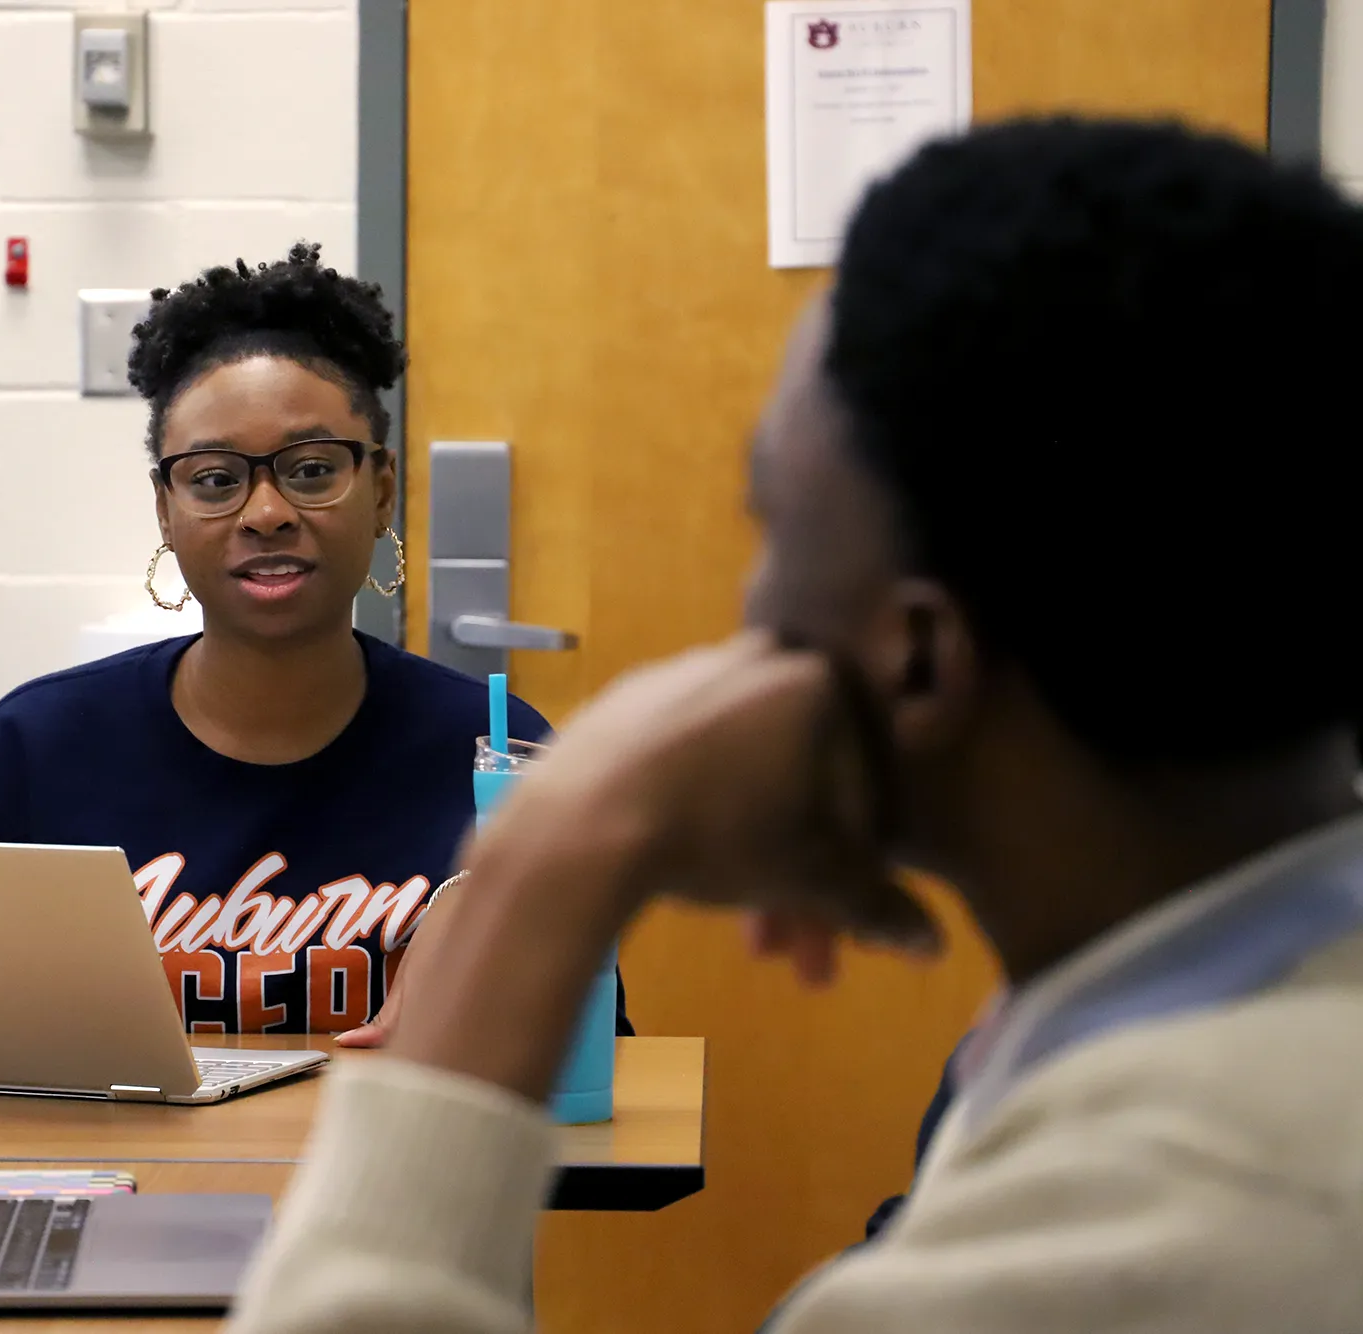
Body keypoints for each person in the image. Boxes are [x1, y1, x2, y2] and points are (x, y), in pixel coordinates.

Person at [221, 118, 1363, 1333]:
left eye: (772, 529)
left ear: (914, 659)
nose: (746, 611)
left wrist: (542, 862)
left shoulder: (1158, 1217)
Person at [0, 243, 629, 1039]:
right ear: (165, 511)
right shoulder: (37, 753)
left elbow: (584, 1087)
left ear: (380, 491)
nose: (265, 511)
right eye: (214, 478)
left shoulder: (497, 756)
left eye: (309, 471)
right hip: (125, 1170)